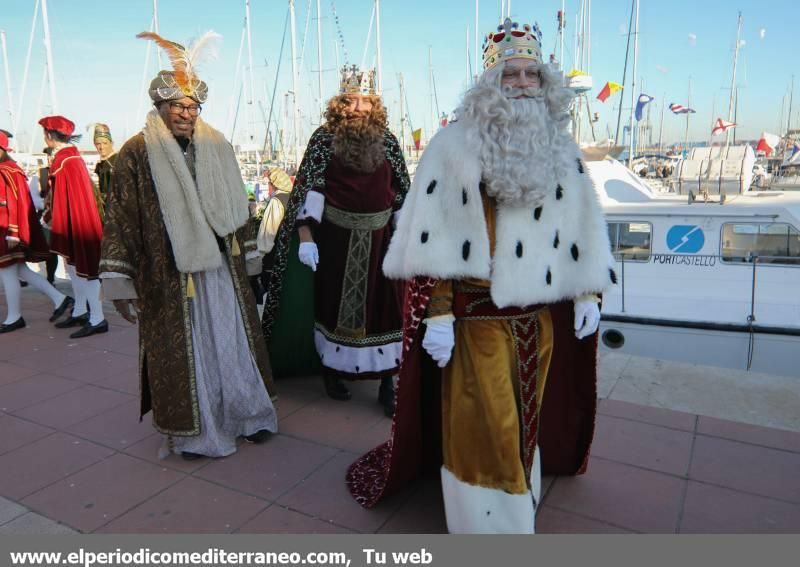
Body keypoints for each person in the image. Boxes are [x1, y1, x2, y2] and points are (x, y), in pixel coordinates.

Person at [347, 18, 617, 533]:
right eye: (509, 75)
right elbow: (439, 235)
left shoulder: (560, 148)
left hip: (539, 322)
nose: (520, 84)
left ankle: (518, 502)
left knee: (525, 423)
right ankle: (492, 529)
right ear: (490, 84)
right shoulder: (452, 148)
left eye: (530, 75)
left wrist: (587, 292)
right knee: (487, 427)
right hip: (477, 320)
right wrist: (440, 312)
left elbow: (579, 225)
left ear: (544, 82)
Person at [99, 31, 277, 460]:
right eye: (177, 106)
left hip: (221, 269)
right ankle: (199, 434)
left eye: (192, 106)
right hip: (169, 274)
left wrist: (252, 258)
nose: (186, 113)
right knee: (190, 353)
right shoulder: (135, 153)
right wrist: (120, 283)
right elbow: (121, 217)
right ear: (160, 107)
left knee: (231, 341)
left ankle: (247, 415)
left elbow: (240, 206)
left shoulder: (217, 145)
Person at [261, 65, 410, 416]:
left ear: (376, 106)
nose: (359, 108)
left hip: (382, 239)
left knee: (387, 309)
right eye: (351, 101)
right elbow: (310, 189)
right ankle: (333, 370)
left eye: (366, 101)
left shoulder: (387, 140)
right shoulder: (324, 138)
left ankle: (388, 383)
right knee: (331, 305)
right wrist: (306, 238)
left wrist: (407, 235)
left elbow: (402, 191)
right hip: (335, 240)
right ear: (340, 104)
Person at [40, 115, 107, 337]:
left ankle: (98, 318)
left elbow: (59, 196)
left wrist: (49, 216)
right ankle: (80, 311)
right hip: (74, 220)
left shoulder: (65, 161)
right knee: (73, 268)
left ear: (50, 135)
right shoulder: (69, 158)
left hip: (77, 223)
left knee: (86, 269)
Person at [0, 130, 73, 333]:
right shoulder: (8, 169)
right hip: (6, 230)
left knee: (7, 272)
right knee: (21, 271)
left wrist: (14, 232)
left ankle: (14, 317)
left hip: (7, 231)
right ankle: (60, 299)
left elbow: (15, 204)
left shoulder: (8, 171)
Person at [93, 123, 117, 221]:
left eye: (105, 143)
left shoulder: (117, 161)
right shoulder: (101, 164)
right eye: (98, 144)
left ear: (112, 143)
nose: (101, 147)